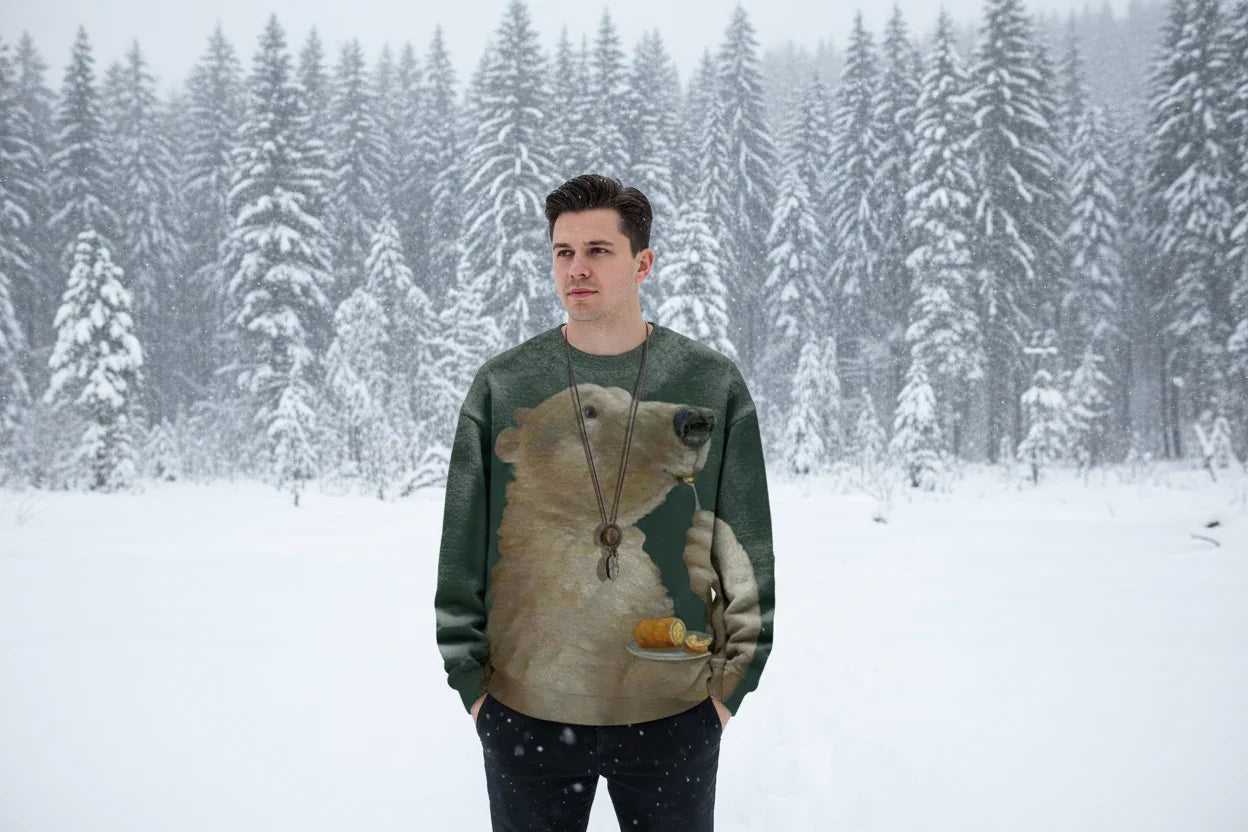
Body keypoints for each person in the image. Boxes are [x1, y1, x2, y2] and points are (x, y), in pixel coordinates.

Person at [434, 173, 775, 831]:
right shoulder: (504, 385)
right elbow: (461, 547)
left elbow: (749, 542)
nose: (577, 269)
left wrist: (729, 690)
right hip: (525, 714)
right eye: (563, 252)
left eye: (598, 250)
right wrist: (473, 690)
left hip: (672, 714)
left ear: (643, 262)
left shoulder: (709, 384)